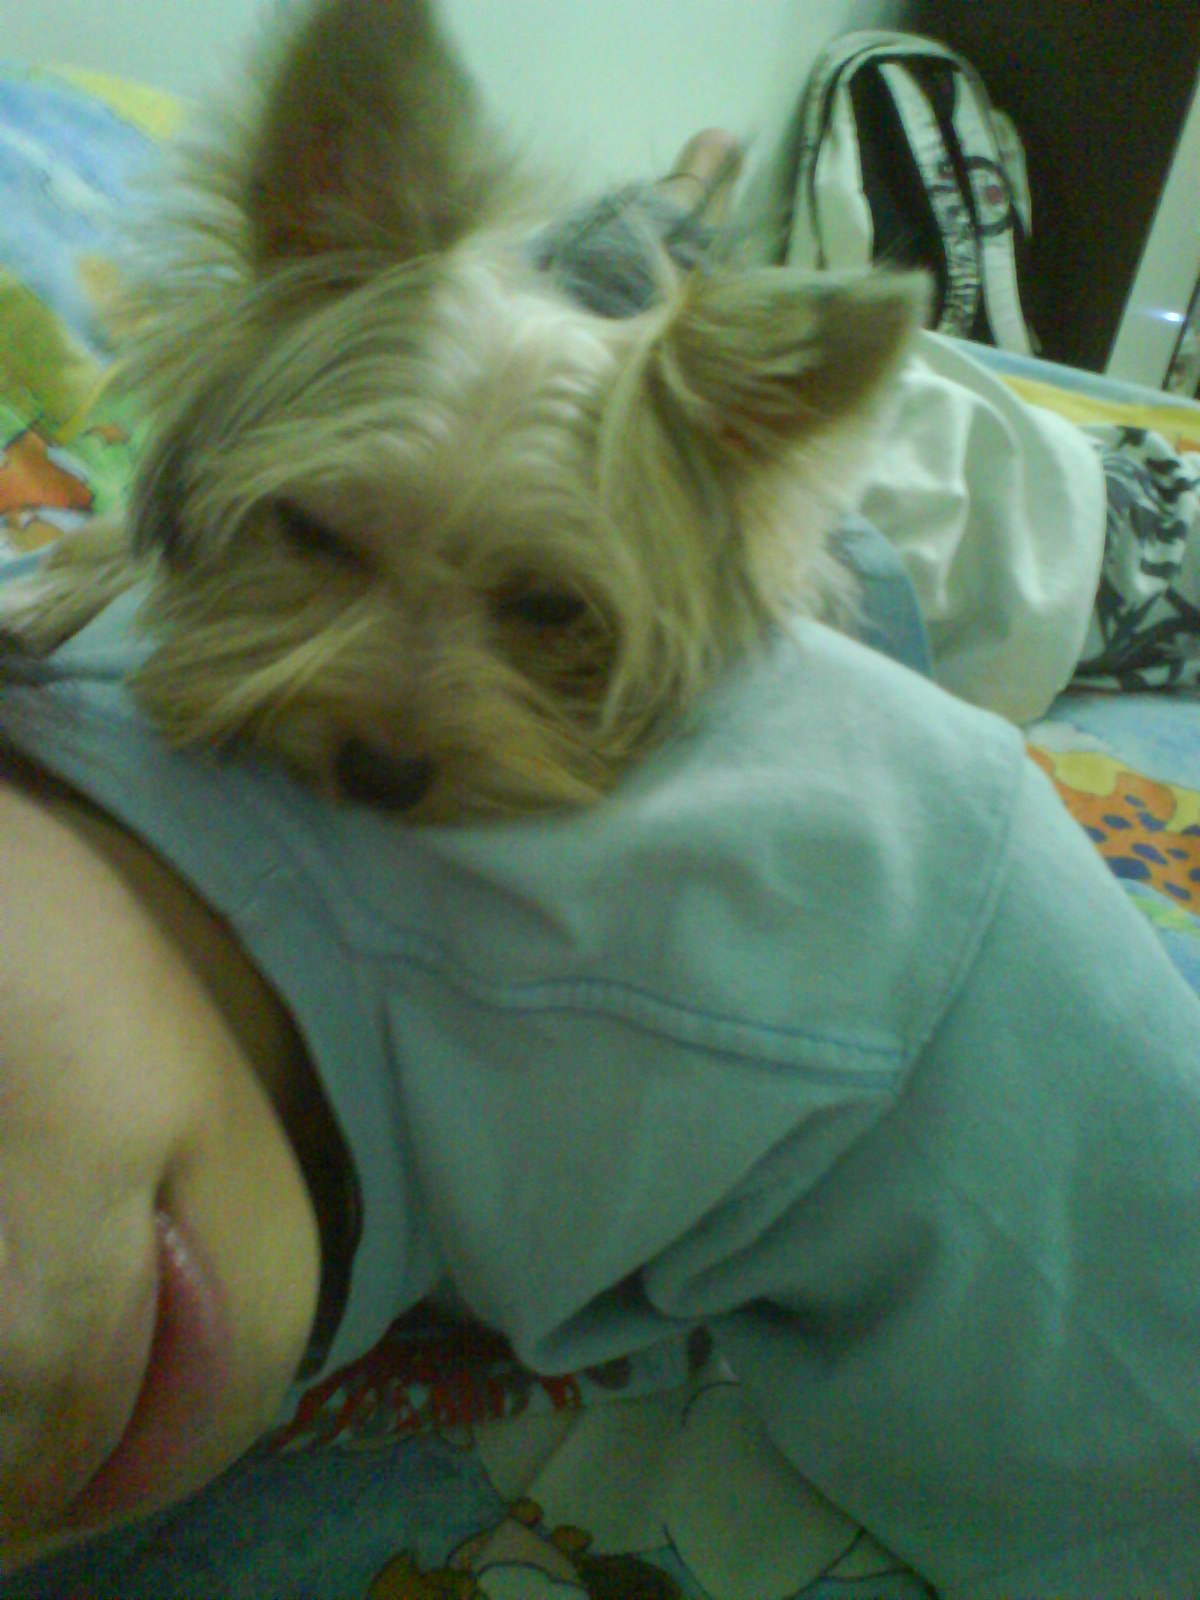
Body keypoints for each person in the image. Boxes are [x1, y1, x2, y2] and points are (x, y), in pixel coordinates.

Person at [4, 139, 1200, 1600]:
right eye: (318, 539)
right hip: (638, 437)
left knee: (1049, 525)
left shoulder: (829, 898)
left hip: (896, 537)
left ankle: (678, 212)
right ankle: (670, 210)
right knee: (595, 293)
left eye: (543, 615)